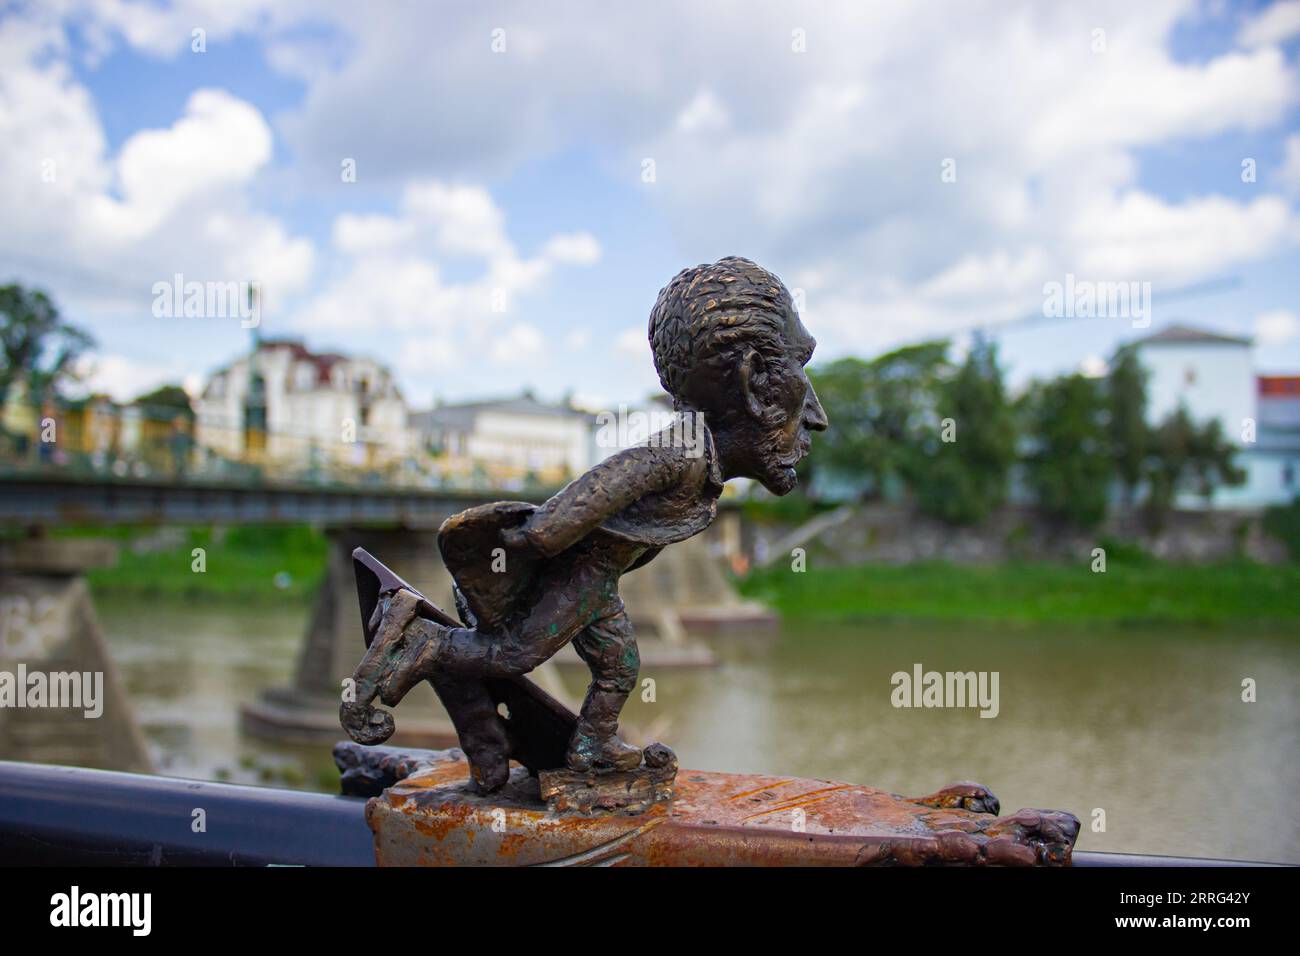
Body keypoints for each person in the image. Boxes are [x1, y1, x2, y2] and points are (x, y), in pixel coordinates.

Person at [345, 257, 827, 787]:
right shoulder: (679, 453)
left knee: (619, 667)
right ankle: (423, 643)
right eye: (801, 369)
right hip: (581, 575)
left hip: (602, 583)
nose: (816, 415)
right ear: (755, 380)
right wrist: (535, 539)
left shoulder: (700, 461)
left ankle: (591, 744)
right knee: (513, 653)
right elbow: (589, 495)